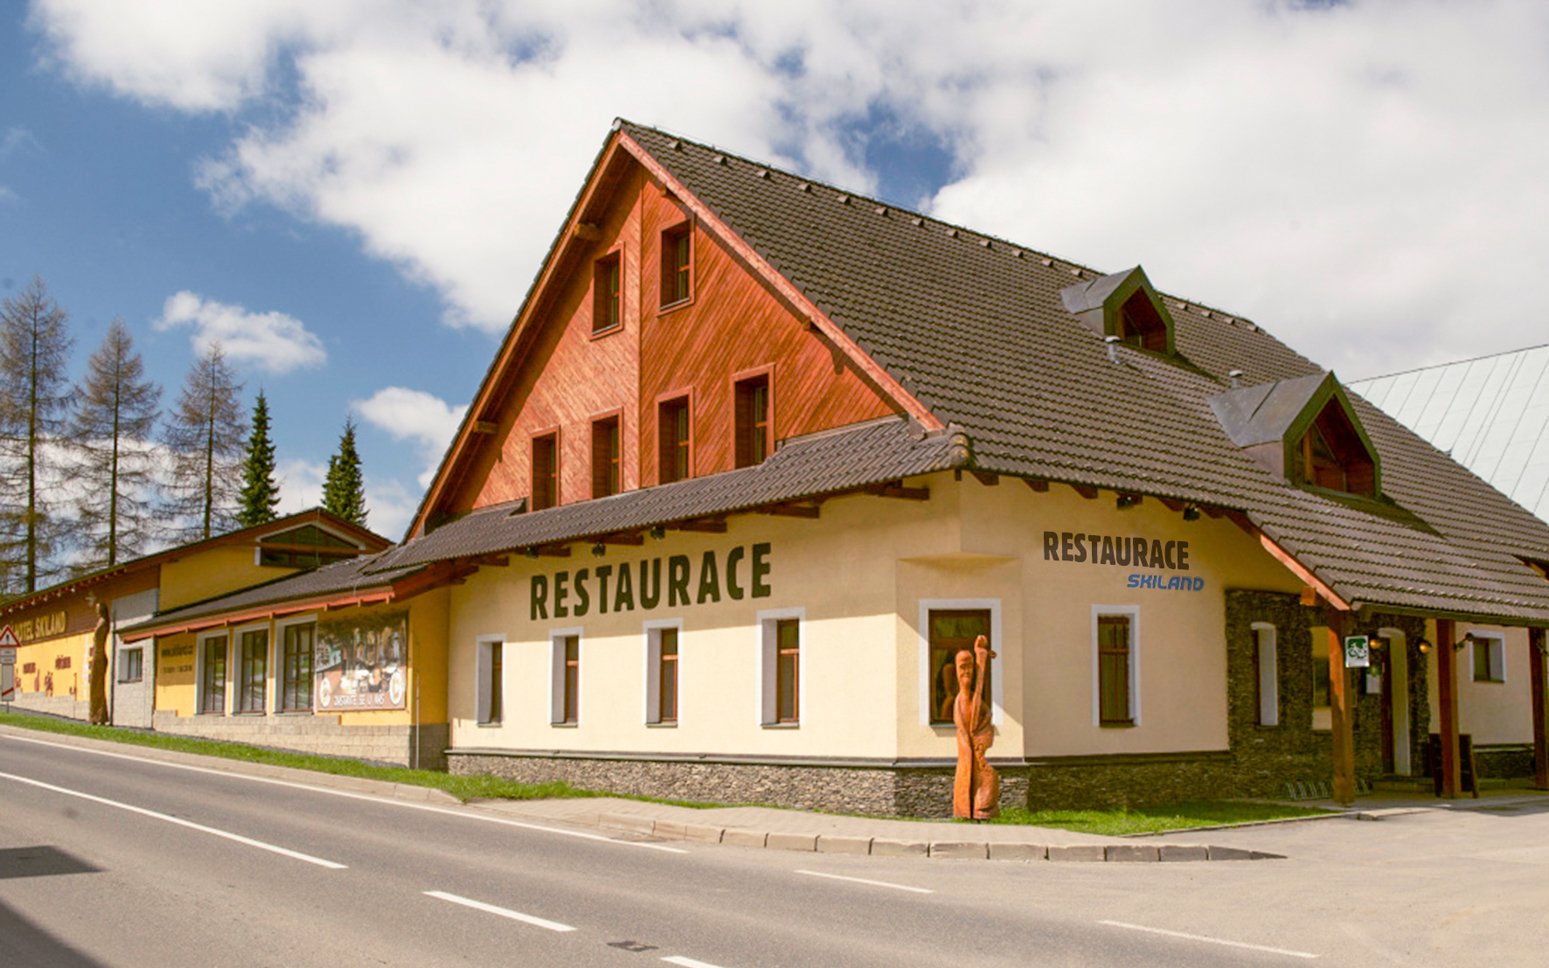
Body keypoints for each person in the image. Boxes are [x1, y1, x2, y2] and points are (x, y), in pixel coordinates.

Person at [952, 634, 998, 820]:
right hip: (966, 749)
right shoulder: (959, 701)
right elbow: (960, 723)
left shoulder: (974, 696)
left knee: (983, 774)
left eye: (970, 667)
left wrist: (984, 722)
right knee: (966, 772)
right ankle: (965, 808)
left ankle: (981, 808)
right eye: (962, 667)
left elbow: (986, 712)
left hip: (977, 744)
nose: (967, 672)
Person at [89, 601, 110, 725]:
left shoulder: (103, 623)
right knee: (95, 687)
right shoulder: (100, 622)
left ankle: (99, 716)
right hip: (96, 656)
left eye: (98, 608)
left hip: (99, 656)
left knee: (97, 687)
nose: (96, 611)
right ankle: (96, 716)